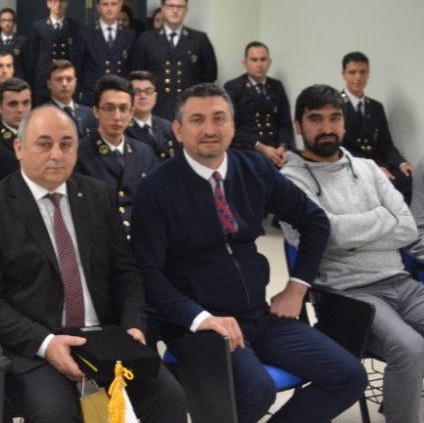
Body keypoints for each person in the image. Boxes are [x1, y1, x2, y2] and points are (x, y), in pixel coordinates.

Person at [130, 83, 366, 423]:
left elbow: (314, 221)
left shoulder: (254, 168)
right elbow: (148, 275)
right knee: (256, 391)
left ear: (232, 125)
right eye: (197, 120)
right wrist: (200, 318)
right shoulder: (156, 188)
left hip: (258, 314)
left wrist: (297, 286)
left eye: (219, 118)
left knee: (349, 376)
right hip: (197, 325)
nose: (209, 129)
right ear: (178, 130)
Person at [0, 105, 187, 422]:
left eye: (66, 144)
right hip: (35, 342)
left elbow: (125, 272)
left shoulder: (97, 194)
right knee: (57, 414)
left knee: (169, 397)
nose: (56, 154)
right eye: (44, 144)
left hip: (105, 336)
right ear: (19, 148)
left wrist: (133, 325)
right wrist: (46, 343)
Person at [280, 84, 424, 423]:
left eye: (335, 118)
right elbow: (324, 236)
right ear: (299, 125)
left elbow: (407, 229)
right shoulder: (289, 181)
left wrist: (347, 231)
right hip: (348, 297)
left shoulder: (369, 168)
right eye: (316, 119)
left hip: (399, 283)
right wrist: (381, 218)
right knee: (411, 348)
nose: (327, 127)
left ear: (344, 123)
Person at [77, 75, 157, 237]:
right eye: (109, 108)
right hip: (101, 238)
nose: (117, 117)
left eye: (123, 108)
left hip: (141, 236)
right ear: (96, 111)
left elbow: (154, 201)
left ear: (131, 112)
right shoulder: (79, 152)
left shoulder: (144, 152)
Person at [128, 0, 217, 120]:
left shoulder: (199, 39)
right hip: (156, 108)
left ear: (186, 10)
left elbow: (210, 74)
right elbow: (137, 74)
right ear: (163, 9)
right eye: (171, 6)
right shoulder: (146, 39)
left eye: (180, 7)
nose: (175, 10)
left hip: (189, 107)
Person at [339, 51, 414, 201]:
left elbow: (386, 145)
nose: (358, 77)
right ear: (343, 74)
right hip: (353, 169)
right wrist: (372, 169)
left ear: (368, 74)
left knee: (413, 179)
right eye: (352, 72)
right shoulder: (335, 105)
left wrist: (402, 163)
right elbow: (339, 151)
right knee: (389, 188)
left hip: (381, 165)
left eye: (362, 72)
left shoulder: (375, 107)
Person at [223, 41, 293, 167]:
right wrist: (261, 147)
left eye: (263, 60)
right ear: (245, 63)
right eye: (254, 60)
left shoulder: (277, 86)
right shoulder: (233, 87)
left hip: (277, 149)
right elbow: (230, 127)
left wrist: (282, 147)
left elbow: (285, 123)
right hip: (247, 149)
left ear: (269, 62)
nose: (259, 65)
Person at [76, 0, 137, 99]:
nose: (109, 8)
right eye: (105, 4)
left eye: (113, 4)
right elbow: (78, 67)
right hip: (92, 95)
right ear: (98, 7)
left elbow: (132, 68)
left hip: (120, 94)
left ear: (120, 6)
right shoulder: (85, 33)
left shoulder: (129, 35)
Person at [29, 0, 81, 104]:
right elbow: (33, 56)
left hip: (65, 78)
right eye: (54, 1)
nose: (58, 4)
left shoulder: (74, 25)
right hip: (44, 80)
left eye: (61, 1)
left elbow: (78, 55)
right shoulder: (39, 26)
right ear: (48, 4)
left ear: (66, 4)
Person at [125, 70, 177, 161]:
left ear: (155, 96)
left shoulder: (167, 127)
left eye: (148, 91)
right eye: (136, 92)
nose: (143, 96)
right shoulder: (121, 128)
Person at [46, 60, 94, 137]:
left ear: (75, 82)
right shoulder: (42, 114)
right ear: (49, 84)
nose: (64, 84)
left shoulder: (88, 113)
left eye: (69, 79)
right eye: (59, 79)